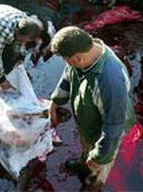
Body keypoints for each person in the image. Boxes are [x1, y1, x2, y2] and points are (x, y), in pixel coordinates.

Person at [49, 26, 134, 190]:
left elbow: (114, 126)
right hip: (90, 120)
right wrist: (55, 101)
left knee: (100, 164)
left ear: (78, 58)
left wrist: (100, 157)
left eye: (67, 60)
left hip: (111, 126)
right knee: (87, 144)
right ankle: (85, 161)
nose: (67, 64)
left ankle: (93, 183)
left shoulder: (109, 80)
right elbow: (67, 76)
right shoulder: (85, 51)